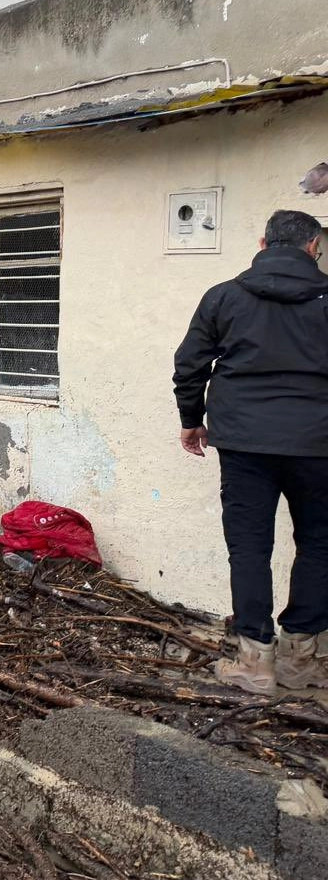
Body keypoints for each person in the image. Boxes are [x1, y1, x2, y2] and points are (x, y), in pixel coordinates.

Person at [174, 209, 328, 696]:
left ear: (263, 243)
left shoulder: (225, 296)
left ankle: (255, 662)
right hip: (319, 442)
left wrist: (191, 420)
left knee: (249, 547)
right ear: (313, 247)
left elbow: (190, 364)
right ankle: (301, 660)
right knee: (321, 545)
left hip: (244, 442)